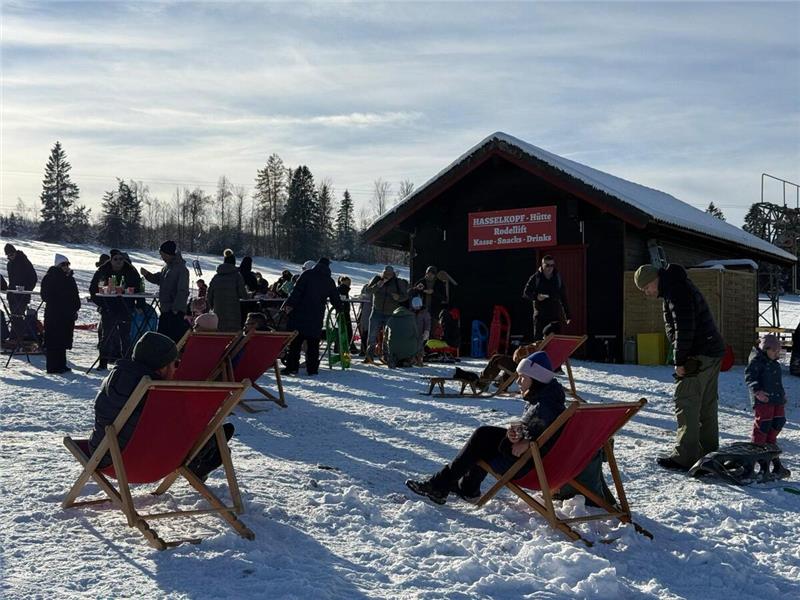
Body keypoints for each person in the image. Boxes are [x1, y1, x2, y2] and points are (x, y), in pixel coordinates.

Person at [406, 351, 566, 504]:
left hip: (531, 466)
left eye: (523, 378)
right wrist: (518, 436)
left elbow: (546, 436)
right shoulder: (547, 397)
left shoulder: (544, 406)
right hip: (537, 459)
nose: (517, 382)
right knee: (484, 437)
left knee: (483, 438)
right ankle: (463, 487)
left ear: (536, 379)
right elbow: (542, 430)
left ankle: (442, 486)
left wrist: (528, 442)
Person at [87, 331, 234, 480]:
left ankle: (209, 446)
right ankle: (203, 453)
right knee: (192, 432)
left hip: (103, 453)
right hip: (142, 463)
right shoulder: (158, 394)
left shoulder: (114, 379)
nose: (176, 369)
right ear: (161, 367)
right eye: (175, 363)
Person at [634, 263, 726, 471]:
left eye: (647, 287)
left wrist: (680, 362)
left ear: (654, 279)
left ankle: (685, 456)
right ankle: (709, 454)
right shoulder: (677, 285)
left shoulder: (676, 291)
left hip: (699, 354)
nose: (647, 293)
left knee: (686, 401)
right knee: (706, 405)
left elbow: (684, 328)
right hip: (712, 351)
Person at [281, 257, 343, 376]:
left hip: (299, 313)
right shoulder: (329, 280)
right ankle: (312, 369)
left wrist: (289, 304)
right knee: (313, 345)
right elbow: (335, 298)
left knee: (295, 344)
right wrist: (340, 308)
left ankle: (292, 367)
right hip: (316, 315)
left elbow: (296, 291)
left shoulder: (306, 275)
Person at [745, 334, 790, 479]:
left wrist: (782, 394)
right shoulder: (757, 361)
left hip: (777, 399)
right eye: (775, 352)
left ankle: (770, 447)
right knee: (763, 424)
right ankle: (756, 456)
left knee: (778, 421)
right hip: (763, 400)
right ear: (766, 349)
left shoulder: (775, 364)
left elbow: (778, 382)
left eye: (778, 352)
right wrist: (757, 391)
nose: (777, 355)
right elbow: (750, 377)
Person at [89, 250, 143, 369]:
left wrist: (140, 305)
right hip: (108, 307)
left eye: (121, 259)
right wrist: (101, 303)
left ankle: (126, 362)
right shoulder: (103, 270)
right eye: (116, 259)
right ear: (111, 260)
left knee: (125, 335)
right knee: (106, 335)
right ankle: (103, 362)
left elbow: (139, 289)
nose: (119, 262)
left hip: (125, 307)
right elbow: (93, 289)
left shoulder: (131, 271)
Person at [141, 240, 191, 343]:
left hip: (175, 312)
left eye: (163, 255)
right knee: (162, 339)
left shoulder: (181, 269)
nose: (162, 257)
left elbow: (183, 291)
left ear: (169, 253)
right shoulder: (166, 268)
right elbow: (158, 279)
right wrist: (147, 275)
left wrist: (176, 309)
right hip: (165, 310)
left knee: (173, 340)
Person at [40, 253, 81, 374]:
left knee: (64, 339)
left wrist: (75, 307)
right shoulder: (50, 277)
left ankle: (62, 364)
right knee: (53, 340)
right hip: (55, 313)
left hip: (67, 314)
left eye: (68, 264)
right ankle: (53, 366)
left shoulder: (69, 278)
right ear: (58, 266)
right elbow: (45, 296)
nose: (66, 266)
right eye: (64, 264)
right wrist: (60, 302)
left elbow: (75, 295)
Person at [364, 265, 409, 364]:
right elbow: (367, 291)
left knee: (387, 337)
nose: (386, 276)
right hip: (376, 311)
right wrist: (377, 286)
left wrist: (398, 298)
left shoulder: (398, 282)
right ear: (382, 273)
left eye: (389, 274)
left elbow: (405, 296)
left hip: (390, 313)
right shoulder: (376, 279)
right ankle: (369, 356)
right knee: (372, 335)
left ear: (393, 274)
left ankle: (386, 356)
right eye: (385, 273)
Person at [522, 255, 571, 341]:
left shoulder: (557, 278)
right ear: (542, 265)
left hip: (554, 316)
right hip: (540, 316)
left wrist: (567, 315)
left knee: (555, 341)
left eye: (552, 265)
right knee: (539, 341)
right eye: (547, 265)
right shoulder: (536, 277)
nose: (550, 268)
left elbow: (563, 297)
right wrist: (536, 297)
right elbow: (526, 293)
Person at [206, 249, 248, 331]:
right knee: (233, 336)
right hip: (233, 312)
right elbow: (243, 295)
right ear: (234, 263)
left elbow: (209, 295)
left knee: (220, 335)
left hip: (218, 312)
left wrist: (212, 306)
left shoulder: (216, 277)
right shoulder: (237, 276)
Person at [4, 243, 37, 317]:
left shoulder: (24, 262)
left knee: (19, 316)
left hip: (22, 295)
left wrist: (26, 290)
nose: (10, 257)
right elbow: (11, 280)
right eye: (8, 255)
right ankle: (14, 328)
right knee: (13, 316)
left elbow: (33, 278)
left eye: (12, 254)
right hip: (12, 294)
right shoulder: (9, 264)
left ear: (15, 252)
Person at [384, 303, 419, 368]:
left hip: (394, 348)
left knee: (391, 342)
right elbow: (416, 334)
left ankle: (393, 359)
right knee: (414, 341)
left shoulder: (391, 318)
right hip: (409, 348)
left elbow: (385, 334)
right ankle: (408, 360)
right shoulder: (411, 318)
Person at [411, 296, 430, 366]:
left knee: (420, 346)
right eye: (415, 307)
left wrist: (426, 331)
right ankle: (412, 359)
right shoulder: (410, 312)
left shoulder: (425, 313)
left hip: (421, 333)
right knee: (412, 346)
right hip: (412, 333)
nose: (416, 308)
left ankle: (420, 359)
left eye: (418, 307)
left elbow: (427, 323)